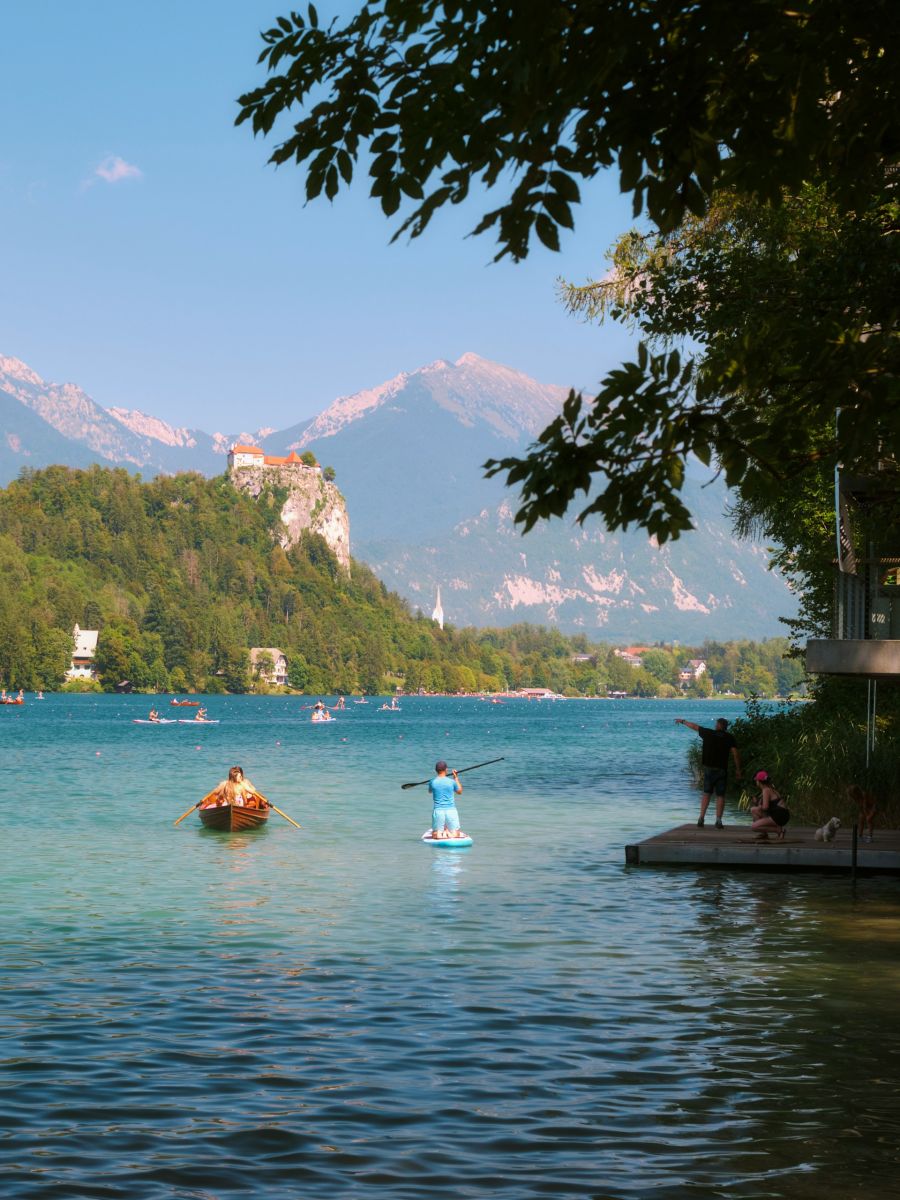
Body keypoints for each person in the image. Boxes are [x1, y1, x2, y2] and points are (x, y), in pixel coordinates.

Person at [675, 716, 742, 828]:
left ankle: (701, 818)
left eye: (716, 724)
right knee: (720, 795)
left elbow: (694, 726)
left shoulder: (708, 733)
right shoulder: (729, 737)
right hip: (722, 770)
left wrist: (682, 721)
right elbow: (736, 754)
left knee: (707, 793)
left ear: (719, 725)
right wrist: (738, 770)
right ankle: (719, 820)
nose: (715, 725)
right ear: (725, 727)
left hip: (709, 769)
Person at [427, 760, 465, 839]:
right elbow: (459, 791)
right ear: (446, 770)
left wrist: (431, 783)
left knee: (435, 835)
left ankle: (440, 834)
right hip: (451, 811)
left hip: (438, 811)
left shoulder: (432, 782)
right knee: (456, 834)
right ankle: (449, 833)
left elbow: (430, 791)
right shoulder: (451, 782)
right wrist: (456, 778)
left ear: (436, 770)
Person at [750, 770, 790, 840]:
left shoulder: (766, 790)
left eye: (756, 780)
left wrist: (759, 806)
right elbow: (768, 806)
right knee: (753, 810)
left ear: (759, 781)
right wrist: (757, 803)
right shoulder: (770, 788)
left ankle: (779, 830)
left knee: (754, 827)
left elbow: (765, 807)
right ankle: (764, 834)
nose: (756, 782)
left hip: (779, 816)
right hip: (782, 814)